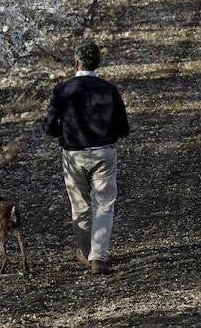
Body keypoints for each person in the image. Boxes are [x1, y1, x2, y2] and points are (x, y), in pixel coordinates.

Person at [39, 41, 130, 275]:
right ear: (97, 62)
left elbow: (49, 126)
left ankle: (86, 251)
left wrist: (65, 135)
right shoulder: (108, 89)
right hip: (103, 152)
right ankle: (99, 257)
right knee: (103, 205)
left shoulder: (62, 89)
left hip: (73, 154)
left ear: (76, 62)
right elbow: (123, 127)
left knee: (79, 206)